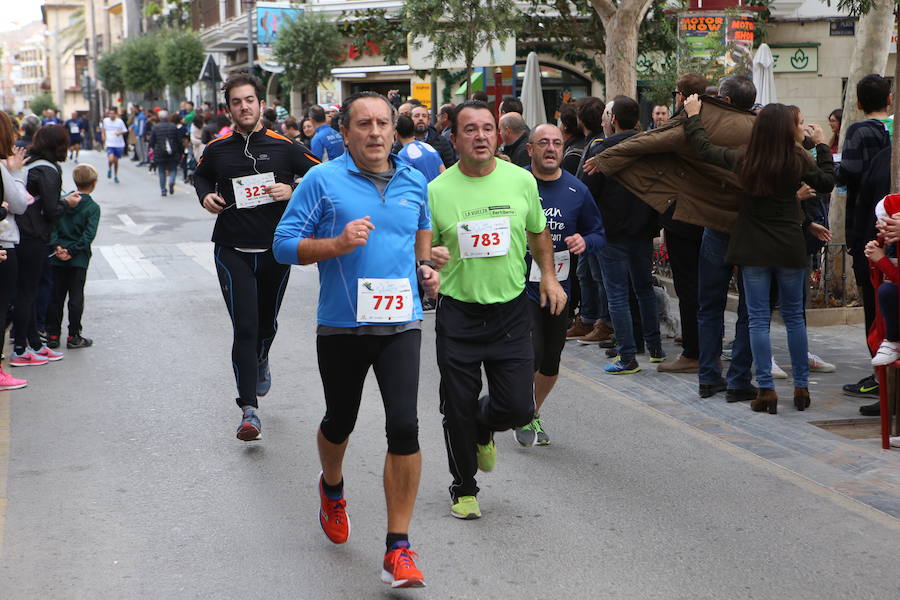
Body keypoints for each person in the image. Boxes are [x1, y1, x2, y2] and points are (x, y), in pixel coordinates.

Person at [273, 91, 435, 589]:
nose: (375, 132)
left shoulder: (414, 180)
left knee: (404, 426)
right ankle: (333, 487)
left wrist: (425, 268)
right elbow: (283, 245)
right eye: (363, 124)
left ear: (395, 128)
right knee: (340, 420)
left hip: (402, 323)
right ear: (345, 133)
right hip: (343, 325)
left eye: (383, 123)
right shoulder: (322, 181)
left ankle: (398, 548)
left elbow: (419, 234)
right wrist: (337, 244)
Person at [428, 100, 566, 520]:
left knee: (520, 407)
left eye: (488, 128)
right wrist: (427, 260)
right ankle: (464, 486)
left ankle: (484, 425)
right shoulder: (437, 191)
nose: (481, 136)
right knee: (457, 404)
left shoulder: (520, 181)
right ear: (455, 139)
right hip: (458, 314)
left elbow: (538, 230)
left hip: (509, 312)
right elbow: (421, 249)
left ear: (499, 135)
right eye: (470, 130)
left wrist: (548, 275)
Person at [683, 94, 833, 413]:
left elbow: (704, 150)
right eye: (797, 123)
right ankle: (801, 387)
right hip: (789, 244)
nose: (802, 127)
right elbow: (827, 181)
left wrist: (694, 115)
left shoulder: (745, 157)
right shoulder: (798, 158)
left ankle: (765, 389)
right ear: (784, 129)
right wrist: (821, 145)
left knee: (758, 319)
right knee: (794, 317)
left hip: (753, 245)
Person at [194, 72, 320, 441]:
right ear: (229, 109)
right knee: (245, 327)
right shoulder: (217, 150)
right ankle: (249, 410)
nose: (244, 107)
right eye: (237, 102)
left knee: (265, 326)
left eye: (250, 100)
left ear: (261, 105)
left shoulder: (286, 146)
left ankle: (262, 356)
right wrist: (205, 196)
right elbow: (200, 177)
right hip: (231, 249)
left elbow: (322, 175)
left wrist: (292, 189)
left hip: (275, 251)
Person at [514, 123, 605, 446]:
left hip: (559, 289)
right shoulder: (516, 182)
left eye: (556, 143)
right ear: (531, 149)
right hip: (518, 286)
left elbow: (598, 232)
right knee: (531, 353)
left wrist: (586, 241)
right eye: (543, 143)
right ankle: (518, 409)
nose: (551, 149)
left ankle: (531, 411)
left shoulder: (576, 190)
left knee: (551, 360)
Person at [582, 96, 664, 374]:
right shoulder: (647, 147)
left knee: (617, 293)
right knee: (644, 289)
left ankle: (627, 356)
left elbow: (587, 192)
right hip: (642, 230)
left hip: (612, 232)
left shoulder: (603, 150)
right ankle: (655, 348)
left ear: (613, 119)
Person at [837, 74, 893, 404]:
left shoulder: (859, 131)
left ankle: (878, 374)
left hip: (869, 228)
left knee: (874, 301)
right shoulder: (892, 130)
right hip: (892, 223)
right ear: (889, 100)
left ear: (857, 103)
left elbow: (849, 172)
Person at [11, 125, 81, 367]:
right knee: (27, 293)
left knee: (26, 292)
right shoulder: (48, 170)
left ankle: (33, 344)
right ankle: (22, 348)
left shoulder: (30, 163)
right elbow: (51, 210)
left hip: (21, 233)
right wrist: (67, 203)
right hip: (34, 236)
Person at [567, 97, 613, 345]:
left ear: (581, 120)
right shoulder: (592, 143)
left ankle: (601, 321)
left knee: (595, 274)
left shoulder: (596, 145)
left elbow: (587, 186)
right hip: (589, 222)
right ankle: (589, 318)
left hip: (592, 223)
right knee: (586, 272)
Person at [46, 164, 100, 350]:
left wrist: (57, 246)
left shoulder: (64, 201)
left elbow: (52, 225)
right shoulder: (92, 207)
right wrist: (73, 251)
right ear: (94, 183)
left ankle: (53, 334)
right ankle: (73, 335)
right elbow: (88, 234)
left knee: (56, 297)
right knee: (76, 298)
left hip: (56, 256)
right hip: (78, 259)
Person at [0, 113, 29, 390]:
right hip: (4, 243)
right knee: (2, 306)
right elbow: (19, 204)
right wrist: (18, 173)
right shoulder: (1, 168)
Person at [396, 114, 444, 182]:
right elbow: (443, 171)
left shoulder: (402, 155)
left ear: (396, 133)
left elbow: (407, 182)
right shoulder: (428, 147)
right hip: (438, 191)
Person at [150, 111, 186, 197]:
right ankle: (171, 181)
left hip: (160, 152)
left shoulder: (155, 127)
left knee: (161, 171)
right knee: (173, 169)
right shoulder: (173, 127)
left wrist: (152, 149)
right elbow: (179, 141)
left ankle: (163, 190)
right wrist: (181, 152)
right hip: (173, 151)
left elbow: (152, 141)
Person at [558, 103, 586, 175]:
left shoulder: (572, 155)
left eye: (561, 122)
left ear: (565, 126)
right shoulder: (583, 142)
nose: (559, 127)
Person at [102, 107, 128, 183]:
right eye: (110, 113)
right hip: (110, 143)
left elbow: (125, 131)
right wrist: (103, 135)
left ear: (116, 114)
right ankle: (109, 169)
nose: (111, 115)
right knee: (111, 159)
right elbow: (103, 129)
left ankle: (115, 175)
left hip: (119, 144)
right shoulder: (105, 121)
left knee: (116, 161)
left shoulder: (120, 121)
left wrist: (119, 133)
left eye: (113, 114)